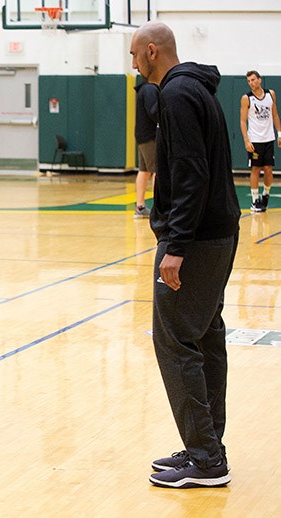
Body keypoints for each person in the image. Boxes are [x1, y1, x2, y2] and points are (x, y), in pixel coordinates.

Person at [130, 22, 240, 488]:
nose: (132, 63)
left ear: (152, 51)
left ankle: (206, 457)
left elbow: (191, 173)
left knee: (174, 340)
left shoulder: (174, 97)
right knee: (206, 336)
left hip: (194, 241)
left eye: (135, 54)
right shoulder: (196, 89)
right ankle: (207, 445)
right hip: (217, 233)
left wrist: (174, 247)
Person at [240, 70, 281, 212]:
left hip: (268, 138)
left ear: (259, 80)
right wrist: (246, 140)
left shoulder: (270, 94)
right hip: (255, 140)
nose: (251, 83)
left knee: (269, 169)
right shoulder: (247, 98)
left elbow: (274, 114)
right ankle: (254, 200)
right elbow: (243, 121)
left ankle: (266, 195)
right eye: (249, 81)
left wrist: (279, 133)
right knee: (256, 169)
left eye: (253, 80)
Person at [133, 81, 159, 218]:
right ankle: (159, 208)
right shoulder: (150, 89)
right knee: (158, 170)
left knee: (144, 171)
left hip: (142, 136)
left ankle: (140, 206)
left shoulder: (144, 88)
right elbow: (154, 111)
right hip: (150, 137)